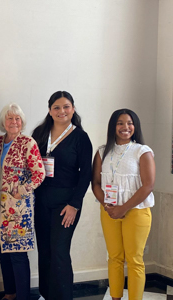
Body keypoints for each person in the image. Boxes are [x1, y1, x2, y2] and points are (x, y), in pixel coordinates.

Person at [32, 91, 92, 300]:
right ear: (49, 111)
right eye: (56, 107)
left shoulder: (80, 137)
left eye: (66, 106)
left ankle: (62, 296)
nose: (61, 111)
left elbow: (86, 174)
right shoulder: (39, 133)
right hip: (40, 201)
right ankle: (45, 294)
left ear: (73, 109)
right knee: (45, 250)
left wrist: (74, 204)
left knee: (59, 251)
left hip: (66, 204)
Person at [92, 109, 154, 300]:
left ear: (135, 127)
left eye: (129, 123)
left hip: (136, 212)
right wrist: (108, 206)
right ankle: (115, 297)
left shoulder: (142, 151)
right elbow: (95, 183)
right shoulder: (102, 152)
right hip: (109, 212)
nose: (125, 127)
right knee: (114, 258)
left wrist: (123, 208)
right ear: (113, 126)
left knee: (135, 260)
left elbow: (148, 185)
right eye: (120, 123)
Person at [0, 103, 45, 300]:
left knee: (18, 254)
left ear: (22, 122)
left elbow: (39, 174)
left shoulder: (28, 143)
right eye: (10, 118)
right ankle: (10, 293)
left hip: (19, 210)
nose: (14, 122)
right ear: (3, 122)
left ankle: (22, 296)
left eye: (17, 119)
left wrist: (21, 190)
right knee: (3, 252)